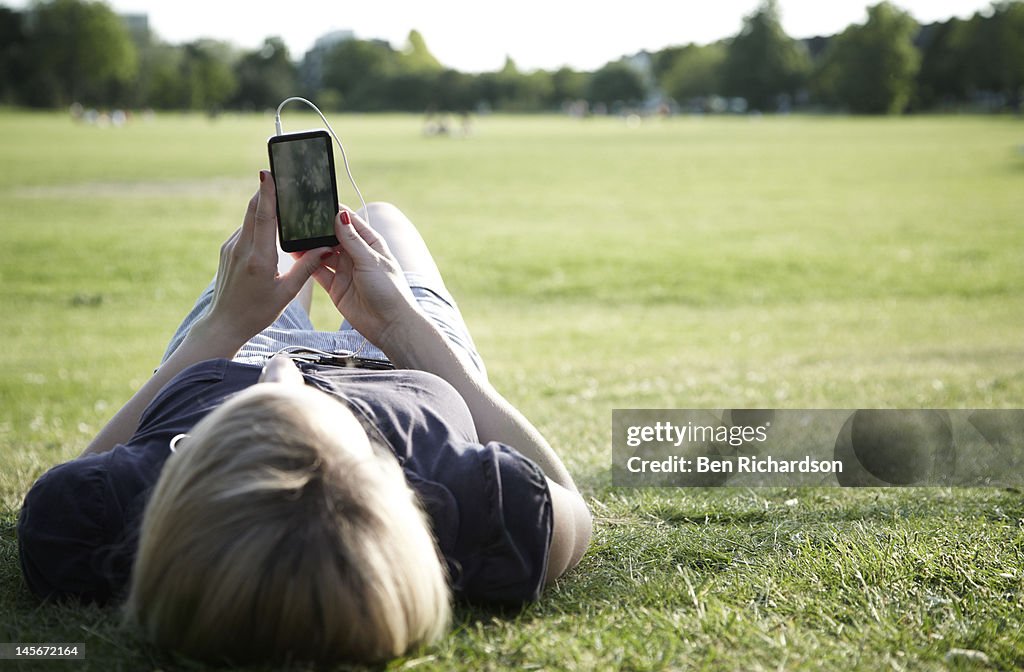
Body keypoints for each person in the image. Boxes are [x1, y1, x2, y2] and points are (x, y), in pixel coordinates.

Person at [17, 171, 592, 664]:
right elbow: (570, 500)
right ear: (387, 479)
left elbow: (78, 474)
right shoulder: (480, 507)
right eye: (305, 410)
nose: (283, 371)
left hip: (230, 351)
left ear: (187, 484)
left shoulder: (97, 515)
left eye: (258, 412)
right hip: (401, 362)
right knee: (382, 219)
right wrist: (404, 327)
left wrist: (222, 327)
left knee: (267, 252)